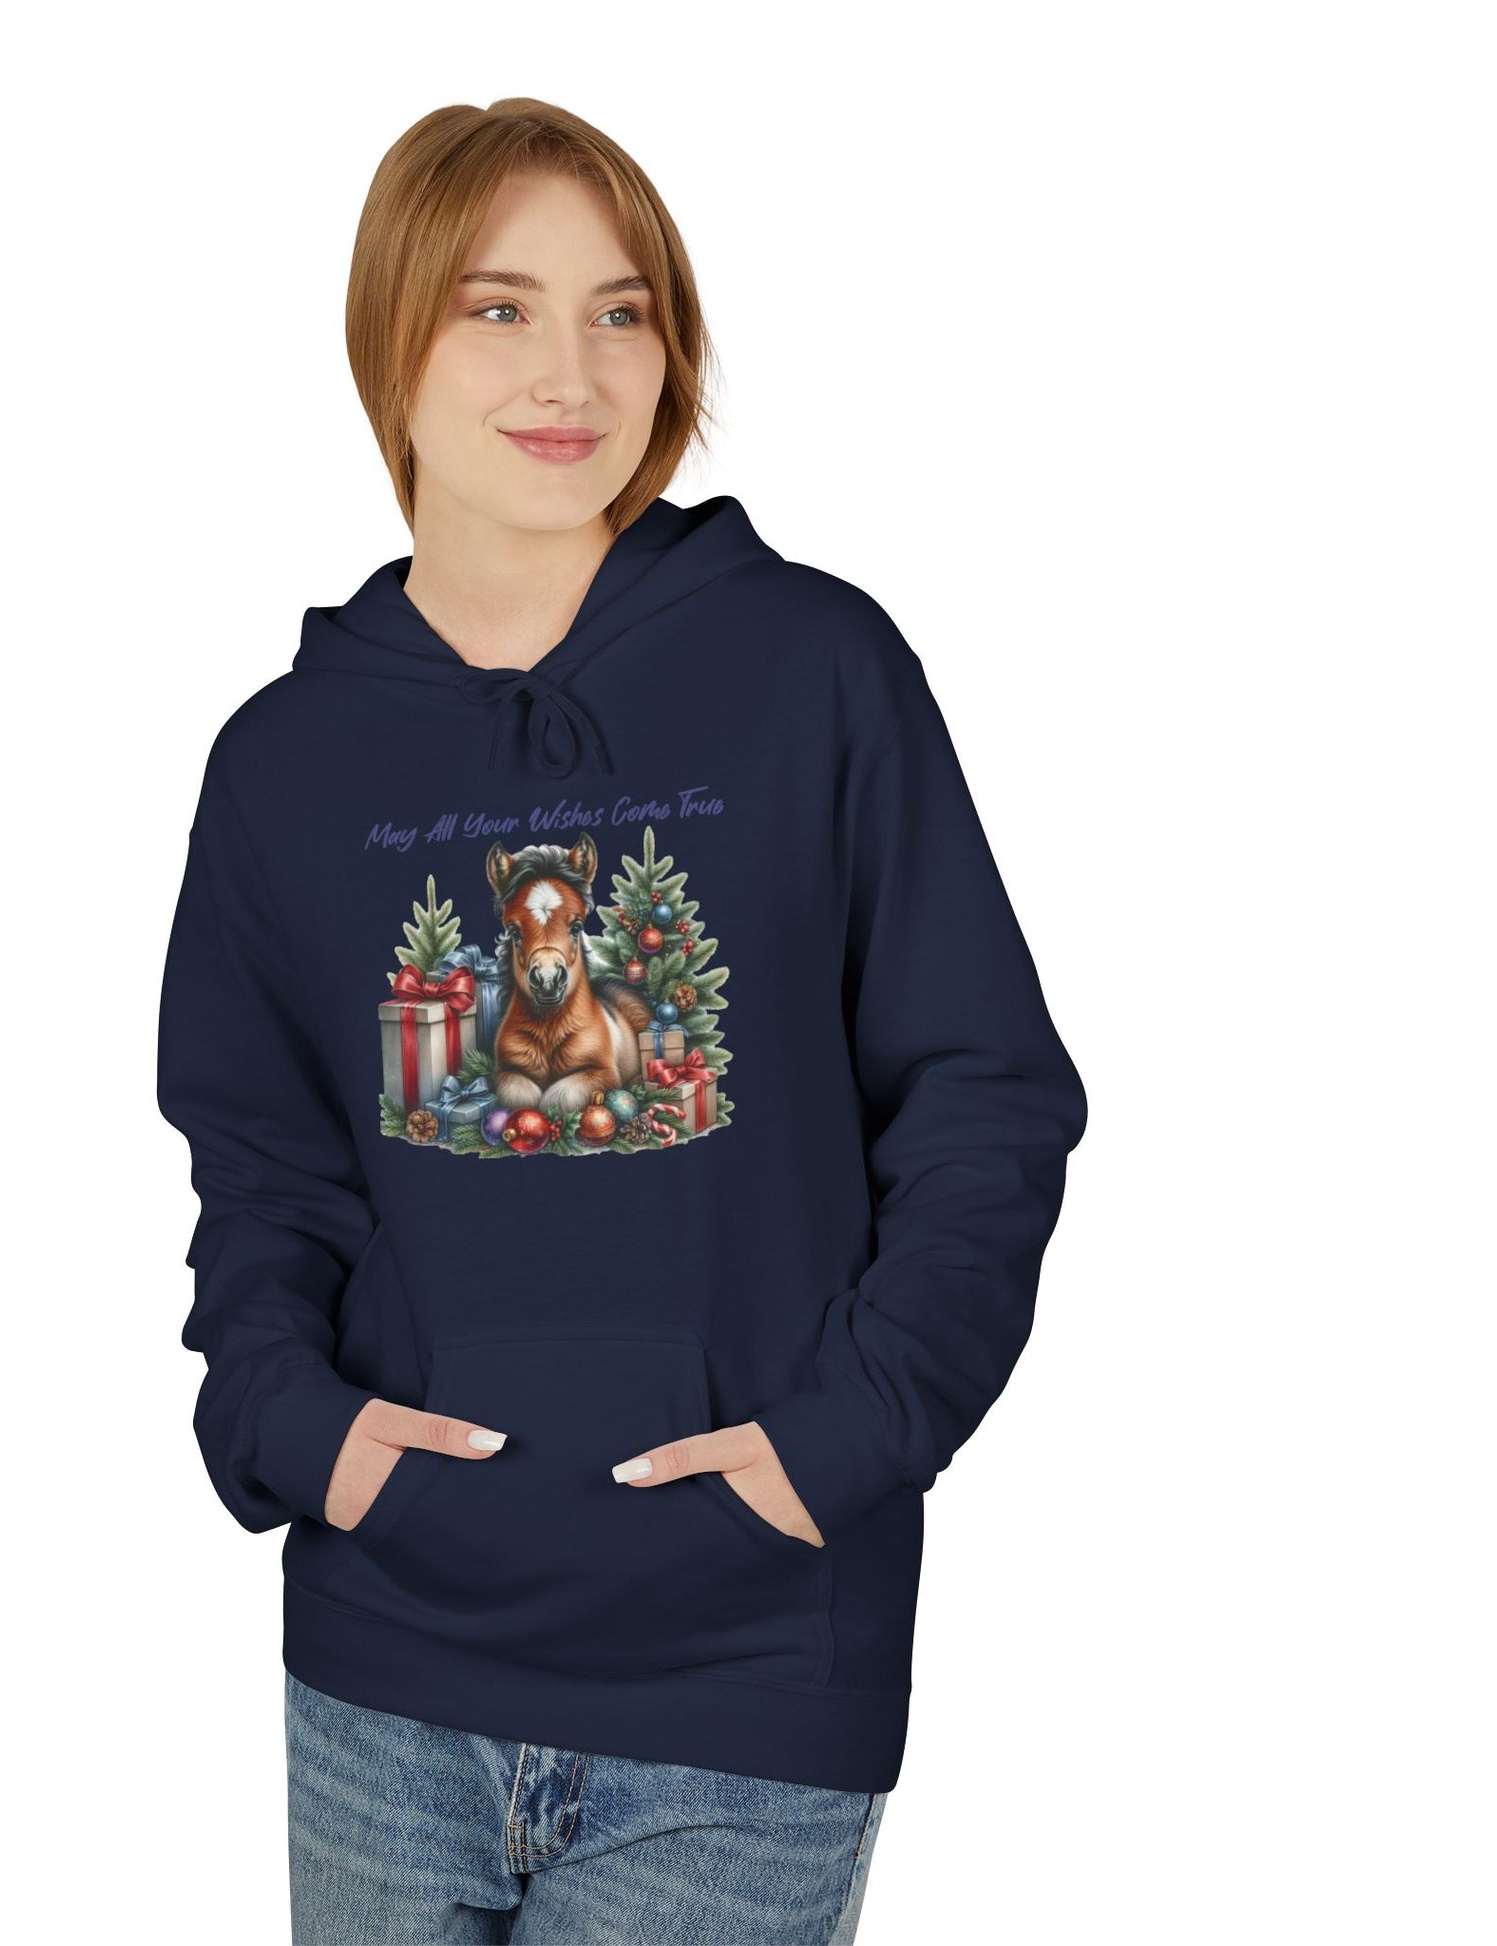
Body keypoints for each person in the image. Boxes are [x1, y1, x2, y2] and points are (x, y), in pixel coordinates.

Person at [157, 97, 1088, 1945]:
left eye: (622, 311)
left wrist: (847, 1437)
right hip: (383, 1664)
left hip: (744, 1678)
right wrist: (292, 1425)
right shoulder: (282, 759)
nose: (567, 373)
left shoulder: (815, 668)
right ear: (390, 339)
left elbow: (983, 1098)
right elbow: (261, 1162)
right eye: (497, 308)